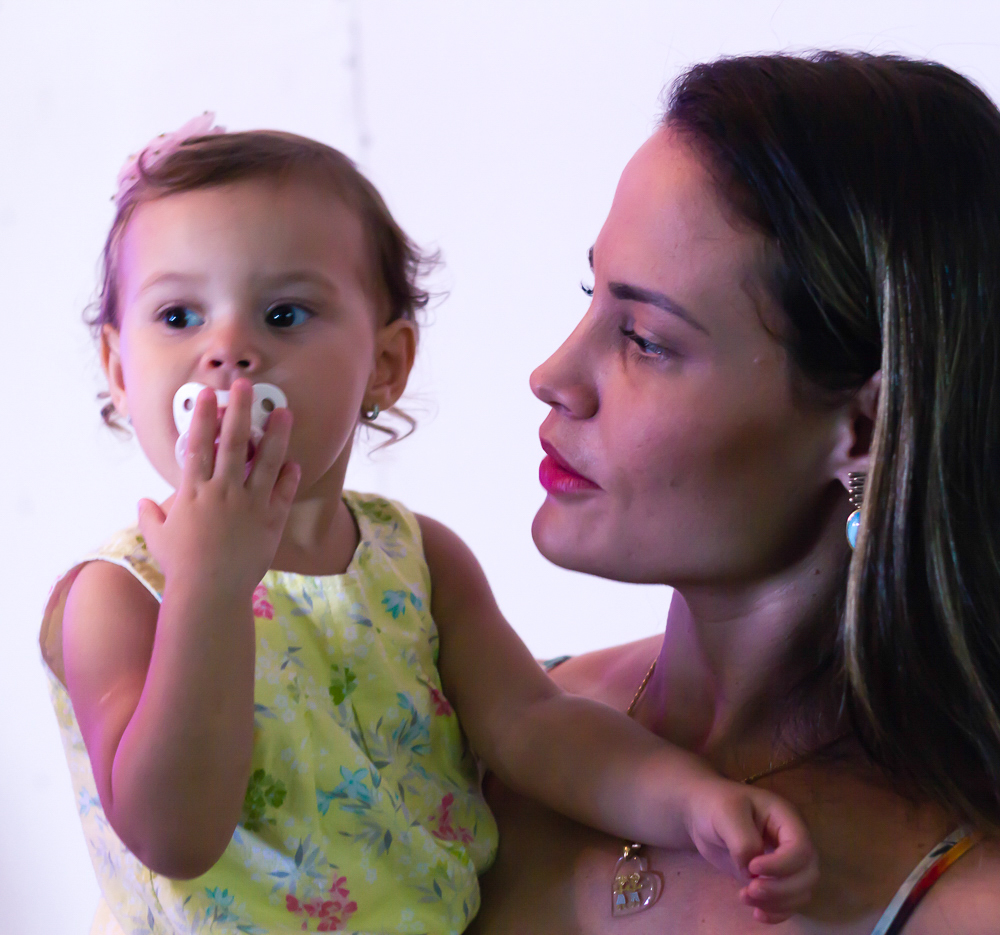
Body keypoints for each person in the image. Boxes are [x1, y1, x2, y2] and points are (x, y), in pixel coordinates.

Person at [38, 116, 818, 935]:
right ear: (120, 372)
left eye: (283, 315)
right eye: (178, 317)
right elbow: (173, 833)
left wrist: (690, 803)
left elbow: (535, 726)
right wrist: (210, 587)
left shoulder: (416, 560)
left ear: (386, 364)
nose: (228, 350)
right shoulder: (122, 596)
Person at [471, 52, 1000, 934]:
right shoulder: (465, 726)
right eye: (589, 293)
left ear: (865, 431)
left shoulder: (962, 891)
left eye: (643, 336)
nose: (553, 373)